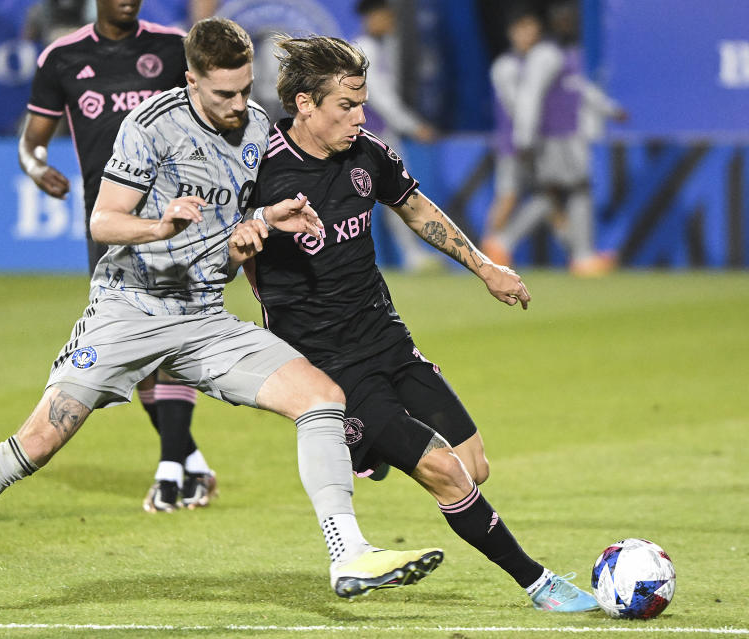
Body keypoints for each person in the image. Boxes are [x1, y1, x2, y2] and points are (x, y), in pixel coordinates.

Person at [0, 18, 443, 624]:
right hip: (130, 311)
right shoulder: (149, 128)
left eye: (245, 89)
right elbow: (104, 222)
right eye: (223, 94)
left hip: (204, 316)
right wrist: (162, 227)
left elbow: (237, 219)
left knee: (322, 398)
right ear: (191, 81)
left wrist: (268, 216)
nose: (238, 106)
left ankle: (349, 555)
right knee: (36, 443)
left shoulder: (258, 126)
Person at [229, 34, 598, 612]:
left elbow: (417, 208)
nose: (359, 117)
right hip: (328, 364)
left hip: (387, 338)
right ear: (305, 104)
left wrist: (484, 267)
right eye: (346, 106)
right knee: (448, 473)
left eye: (362, 104)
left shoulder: (366, 153)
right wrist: (249, 234)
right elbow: (222, 254)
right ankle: (540, 584)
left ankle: (376, 447)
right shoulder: (261, 173)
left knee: (475, 466)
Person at [18, 0, 214, 513]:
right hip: (110, 224)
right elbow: (31, 142)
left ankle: (171, 470)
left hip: (174, 217)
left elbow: (216, 115)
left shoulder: (174, 49)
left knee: (171, 338)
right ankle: (189, 461)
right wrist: (38, 170)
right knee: (134, 347)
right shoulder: (62, 58)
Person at [480, 7, 615, 277]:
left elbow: (577, 90)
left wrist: (608, 109)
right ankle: (493, 247)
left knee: (549, 195)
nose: (528, 34)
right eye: (523, 28)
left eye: (532, 28)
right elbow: (521, 103)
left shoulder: (552, 56)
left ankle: (575, 251)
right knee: (522, 194)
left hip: (541, 139)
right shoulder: (514, 63)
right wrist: (525, 137)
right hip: (528, 142)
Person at [352, 0, 437, 272]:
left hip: (376, 132)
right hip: (368, 134)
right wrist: (413, 125)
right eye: (384, 15)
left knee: (393, 194)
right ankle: (410, 256)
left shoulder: (380, 46)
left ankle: (412, 255)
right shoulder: (364, 48)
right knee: (393, 193)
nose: (390, 21)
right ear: (371, 17)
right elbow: (380, 97)